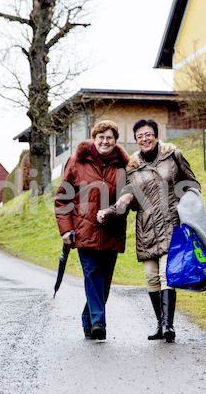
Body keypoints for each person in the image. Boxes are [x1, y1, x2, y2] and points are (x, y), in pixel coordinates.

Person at [102, 119, 200, 343]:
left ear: (156, 135)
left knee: (167, 276)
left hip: (172, 225)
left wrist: (180, 204)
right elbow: (127, 196)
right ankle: (159, 323)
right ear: (136, 140)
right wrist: (110, 211)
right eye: (140, 136)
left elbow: (193, 184)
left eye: (148, 134)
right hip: (146, 228)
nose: (144, 139)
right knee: (151, 278)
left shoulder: (173, 156)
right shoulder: (133, 167)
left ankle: (168, 326)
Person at [55, 120, 129, 340]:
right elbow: (62, 199)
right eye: (101, 137)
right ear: (93, 139)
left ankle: (88, 319)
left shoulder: (124, 166)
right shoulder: (76, 161)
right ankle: (99, 323)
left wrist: (117, 209)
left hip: (112, 231)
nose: (105, 141)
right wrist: (65, 230)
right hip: (83, 230)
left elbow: (129, 198)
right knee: (92, 274)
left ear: (115, 141)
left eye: (109, 138)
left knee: (104, 281)